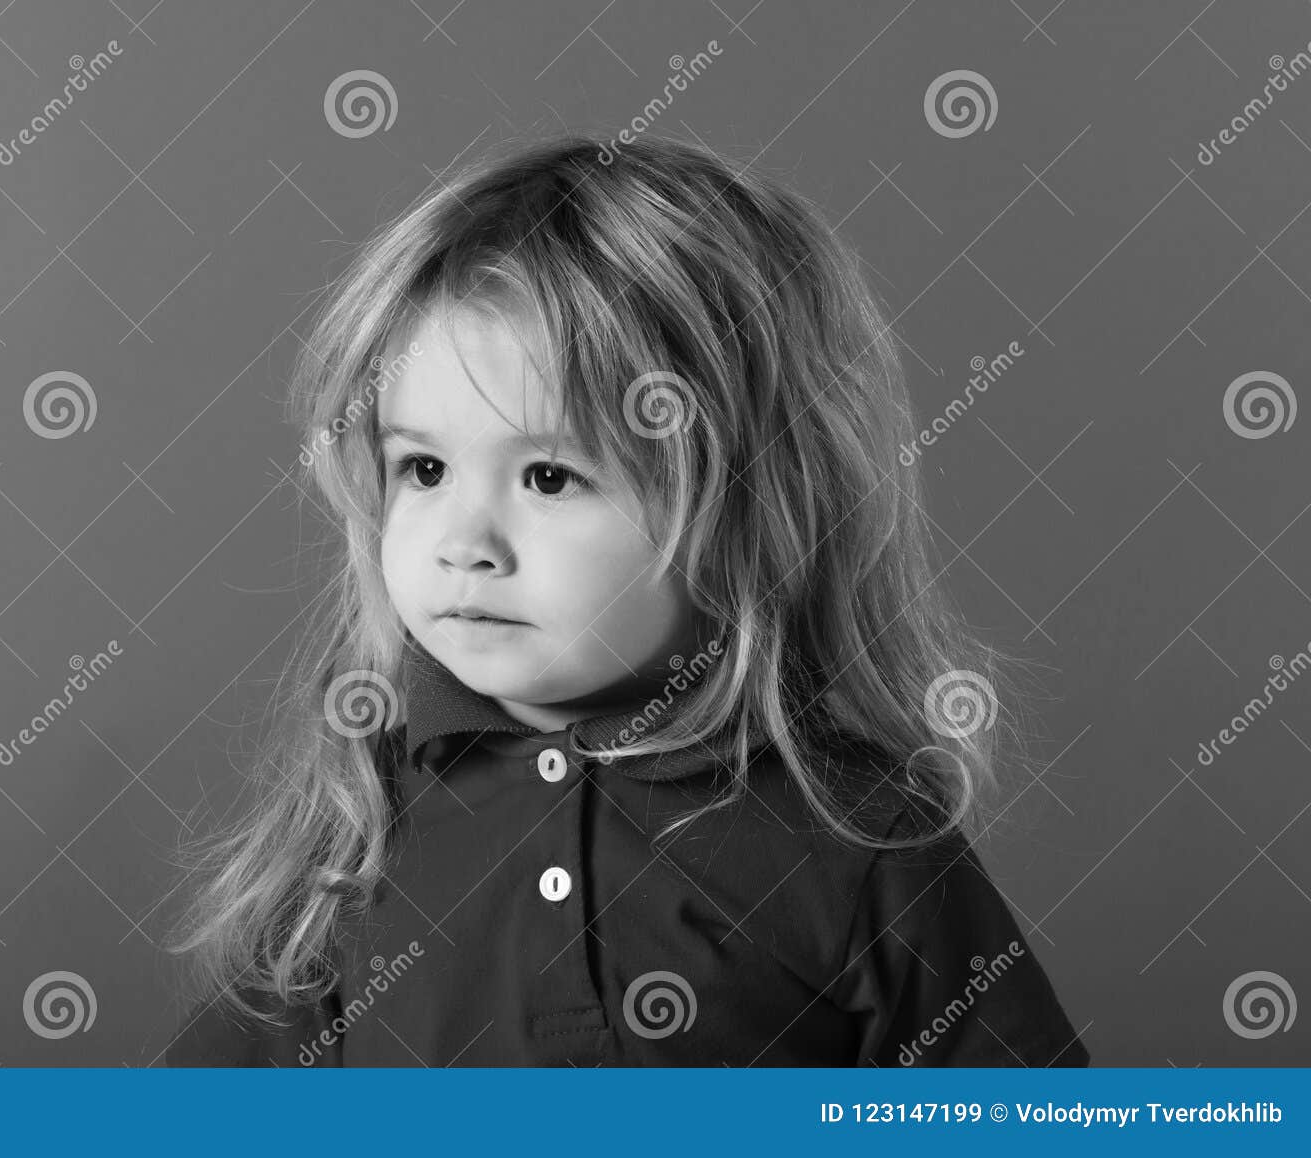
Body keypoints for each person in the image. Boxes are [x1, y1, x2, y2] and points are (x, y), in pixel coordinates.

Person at [161, 132, 1089, 1067]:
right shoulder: (358, 820)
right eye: (425, 467)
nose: (464, 545)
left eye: (551, 477)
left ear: (748, 508)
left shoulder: (860, 838)